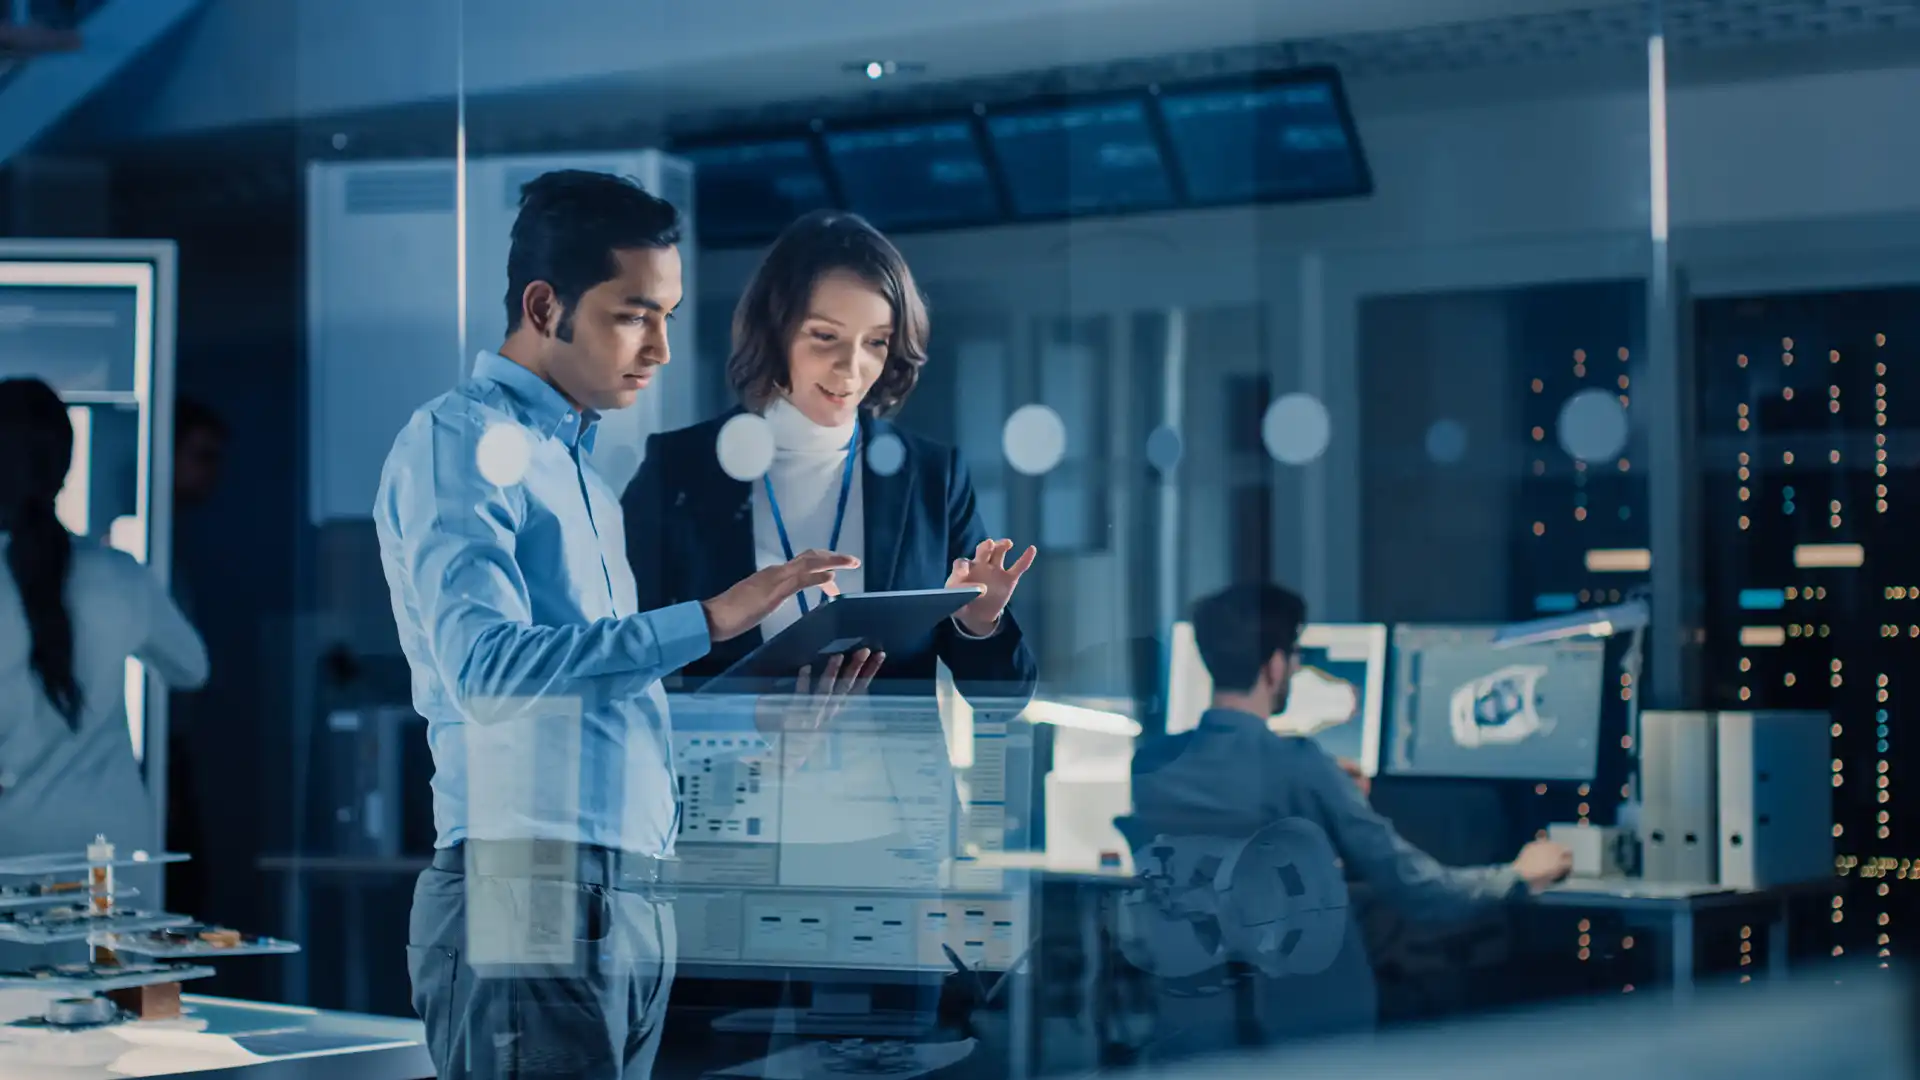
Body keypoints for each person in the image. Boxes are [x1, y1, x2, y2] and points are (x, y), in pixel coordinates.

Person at [374, 171, 861, 1080]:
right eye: (635, 315)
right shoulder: (456, 442)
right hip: (526, 888)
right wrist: (714, 618)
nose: (662, 349)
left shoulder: (585, 477)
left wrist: (760, 739)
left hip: (626, 894)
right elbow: (488, 672)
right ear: (544, 304)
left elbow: (597, 709)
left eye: (668, 316)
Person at [1125, 582, 1571, 1055]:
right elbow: (1417, 889)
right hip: (1309, 1037)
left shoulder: (1152, 767)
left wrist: (1321, 796)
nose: (1295, 667)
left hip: (1196, 1029)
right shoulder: (1300, 766)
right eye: (1293, 655)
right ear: (1275, 666)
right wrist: (1519, 876)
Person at [622, 209, 1037, 701]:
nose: (851, 368)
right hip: (732, 773)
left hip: (893, 774)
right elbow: (627, 661)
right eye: (825, 336)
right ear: (775, 331)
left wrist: (980, 622)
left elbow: (1003, 701)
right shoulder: (679, 469)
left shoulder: (932, 478)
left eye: (876, 343)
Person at [0, 378, 208, 860]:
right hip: (110, 851)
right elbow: (191, 668)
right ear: (64, 468)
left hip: (10, 849)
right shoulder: (118, 576)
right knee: (111, 942)